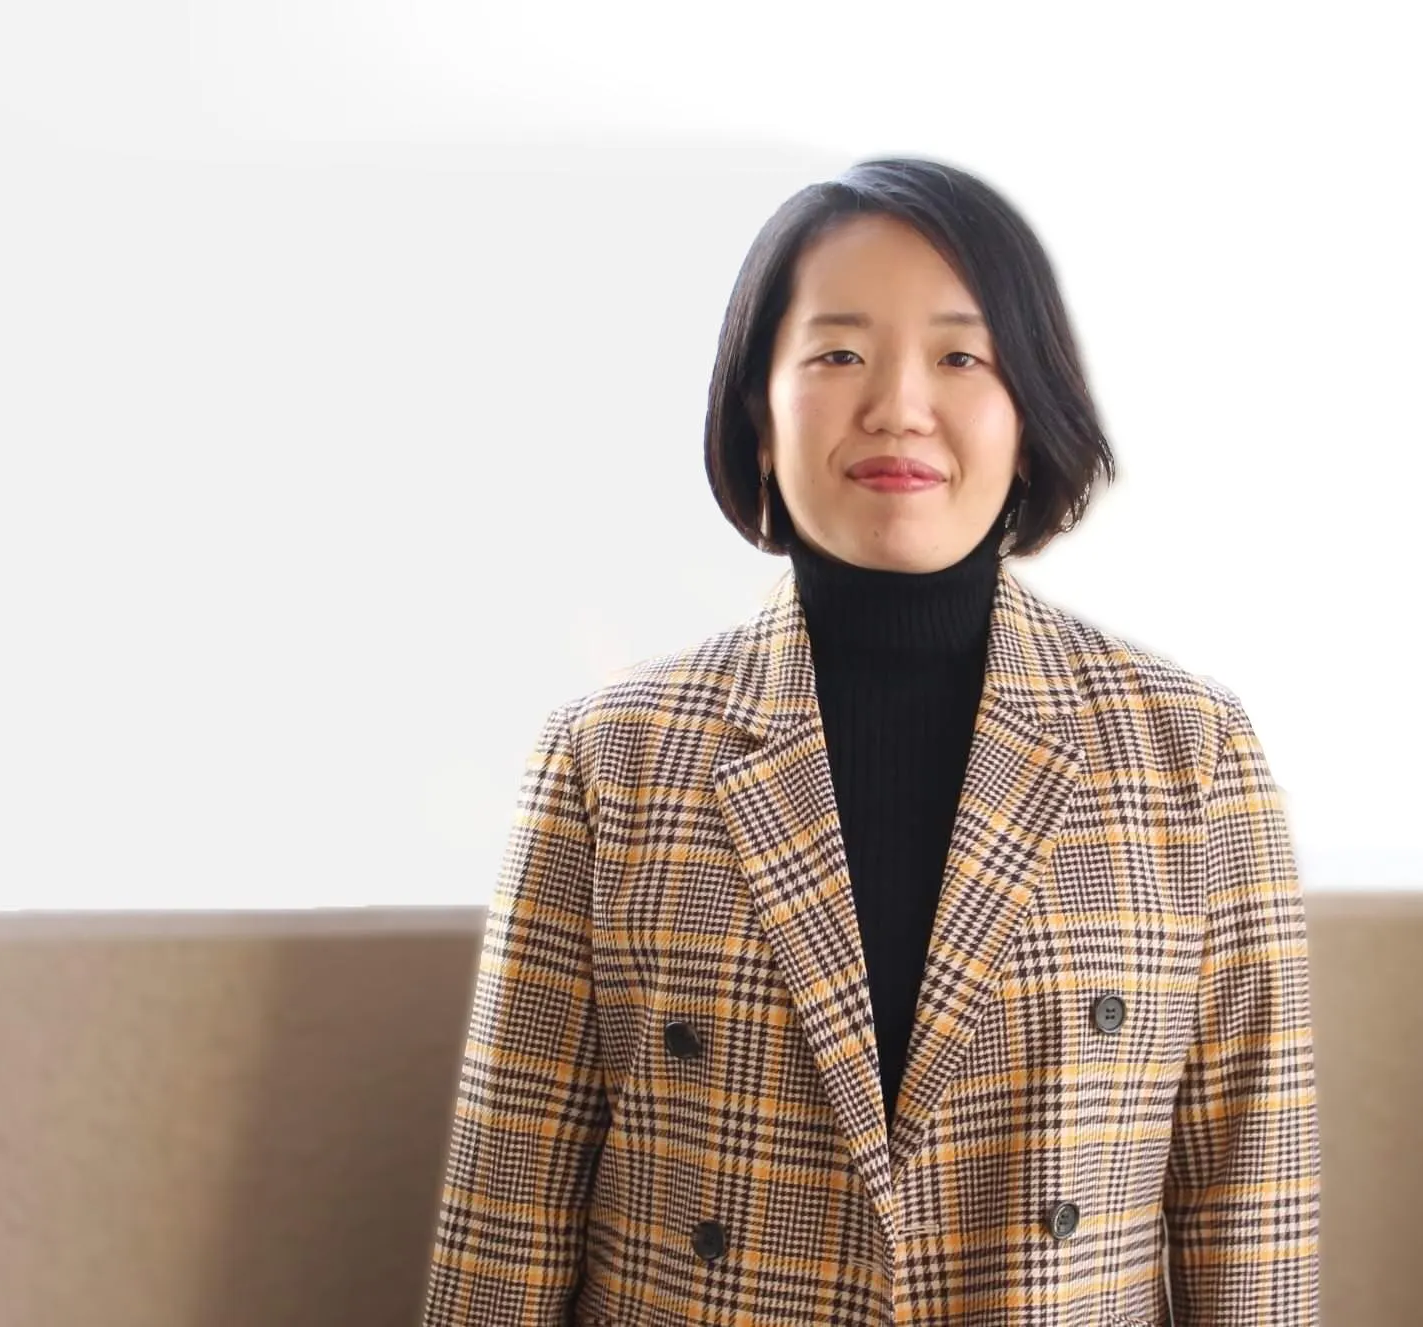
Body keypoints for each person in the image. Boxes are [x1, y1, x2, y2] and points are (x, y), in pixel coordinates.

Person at [421, 156, 1319, 1326]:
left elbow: (1249, 1211)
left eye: (961, 357)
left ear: (1029, 414)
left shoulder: (1188, 753)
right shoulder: (612, 756)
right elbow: (511, 1202)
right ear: (758, 416)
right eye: (839, 354)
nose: (898, 405)